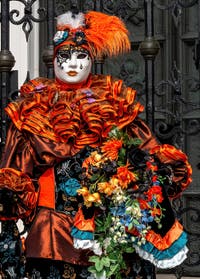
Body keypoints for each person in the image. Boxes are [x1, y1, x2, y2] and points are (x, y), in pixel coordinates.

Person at [0, 9, 192, 279]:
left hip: (111, 229)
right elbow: (15, 173)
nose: (73, 65)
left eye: (81, 56)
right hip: (53, 233)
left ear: (91, 59)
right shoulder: (33, 108)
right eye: (64, 57)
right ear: (54, 60)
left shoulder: (114, 102)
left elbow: (148, 158)